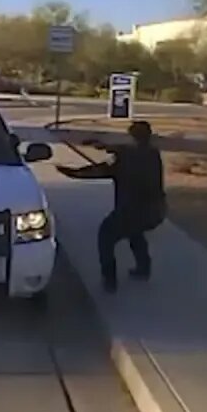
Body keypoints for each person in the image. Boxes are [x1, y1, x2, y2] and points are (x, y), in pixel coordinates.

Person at [56, 120, 167, 292]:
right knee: (135, 233)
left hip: (130, 211)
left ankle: (110, 281)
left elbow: (100, 170)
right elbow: (124, 150)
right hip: (155, 210)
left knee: (106, 237)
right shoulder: (153, 154)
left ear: (132, 137)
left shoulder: (126, 158)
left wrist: (70, 172)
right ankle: (143, 268)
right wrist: (103, 146)